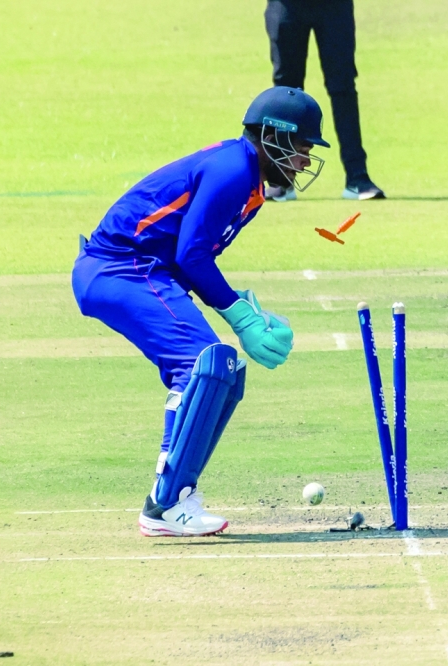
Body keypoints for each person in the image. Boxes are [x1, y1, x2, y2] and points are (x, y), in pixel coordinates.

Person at [72, 87, 329, 536]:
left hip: (145, 270)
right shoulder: (233, 171)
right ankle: (164, 505)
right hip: (120, 267)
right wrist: (238, 315)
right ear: (274, 137)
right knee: (201, 365)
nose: (305, 161)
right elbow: (191, 256)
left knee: (224, 372)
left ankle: (178, 495)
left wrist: (244, 306)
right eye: (303, 148)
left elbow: (187, 256)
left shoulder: (249, 183)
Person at [263, 0, 385, 202]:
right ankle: (282, 179)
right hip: (287, 6)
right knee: (286, 90)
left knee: (342, 87)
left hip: (334, 7)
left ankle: (357, 177)